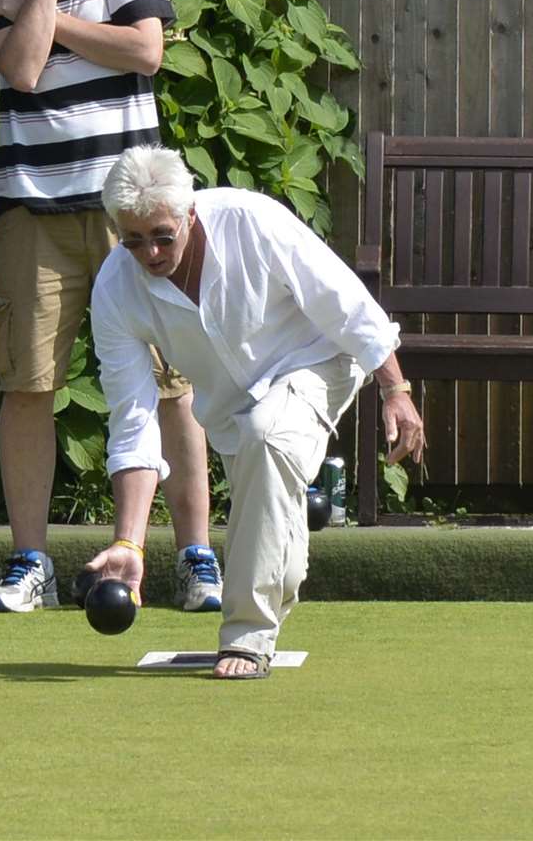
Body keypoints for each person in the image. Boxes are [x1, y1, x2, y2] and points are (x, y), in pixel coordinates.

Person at [0, 0, 222, 614]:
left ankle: (195, 558)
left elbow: (146, 50)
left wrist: (45, 6)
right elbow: (25, 69)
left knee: (170, 383)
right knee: (29, 385)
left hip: (132, 208)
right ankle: (30, 563)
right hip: (32, 207)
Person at [85, 146, 426, 678]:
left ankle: (246, 636)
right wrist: (129, 541)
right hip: (230, 410)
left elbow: (344, 301)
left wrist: (396, 389)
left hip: (317, 358)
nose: (149, 253)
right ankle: (282, 567)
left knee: (270, 435)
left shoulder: (251, 220)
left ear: (189, 214)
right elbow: (133, 419)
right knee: (276, 531)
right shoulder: (114, 291)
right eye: (132, 240)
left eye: (162, 236)